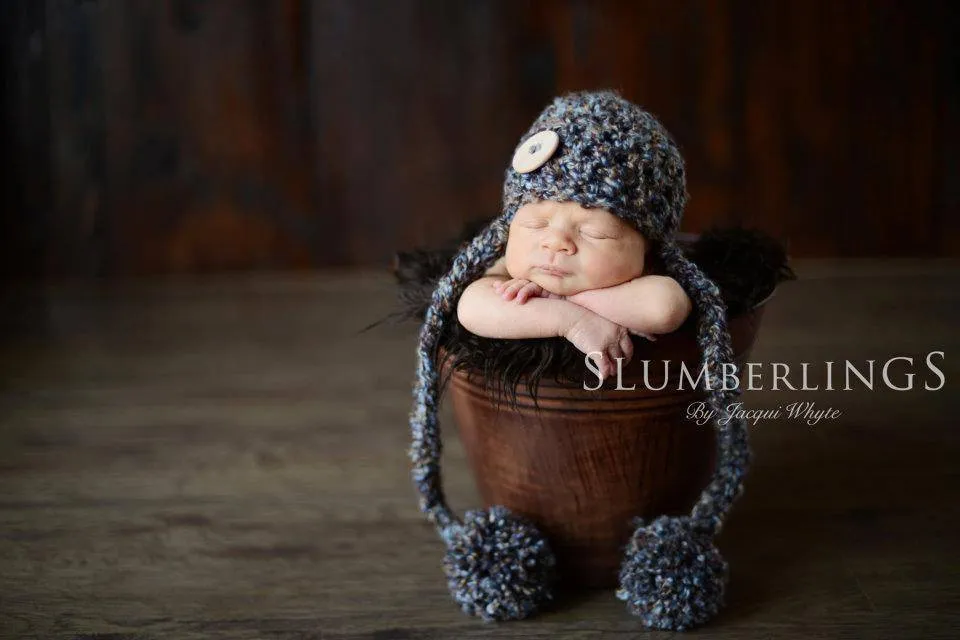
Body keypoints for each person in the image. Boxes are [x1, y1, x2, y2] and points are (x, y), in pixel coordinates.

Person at [456, 198, 691, 382]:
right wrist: (571, 321)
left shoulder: (651, 272)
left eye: (594, 233)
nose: (555, 242)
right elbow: (471, 307)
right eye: (535, 225)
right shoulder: (505, 267)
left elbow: (665, 308)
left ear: (647, 249)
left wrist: (565, 296)